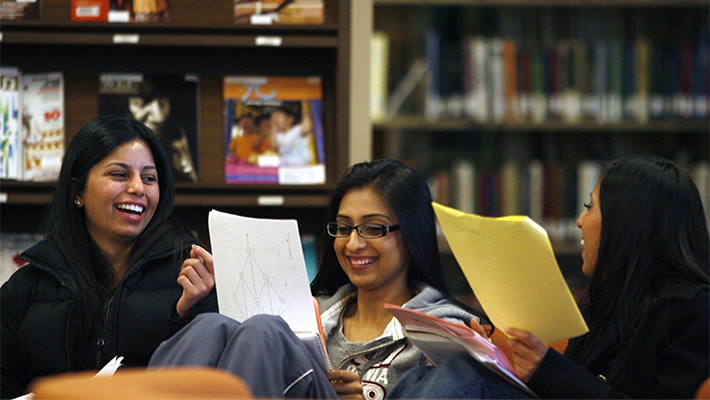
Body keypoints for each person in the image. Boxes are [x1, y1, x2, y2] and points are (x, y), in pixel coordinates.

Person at [149, 158, 485, 399]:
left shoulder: (442, 329)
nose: (353, 243)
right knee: (213, 326)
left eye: (373, 228)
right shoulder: (313, 311)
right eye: (343, 227)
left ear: (411, 234)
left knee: (265, 329)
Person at [387, 156, 710, 399]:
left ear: (625, 224)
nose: (581, 221)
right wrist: (491, 349)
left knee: (461, 377)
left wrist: (546, 369)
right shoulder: (609, 301)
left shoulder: (693, 310)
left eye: (590, 207)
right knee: (429, 375)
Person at [0, 116, 217, 399]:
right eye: (120, 174)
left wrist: (188, 314)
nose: (138, 188)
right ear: (77, 190)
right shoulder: (25, 287)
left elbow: (212, 382)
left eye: (149, 178)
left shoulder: (193, 278)